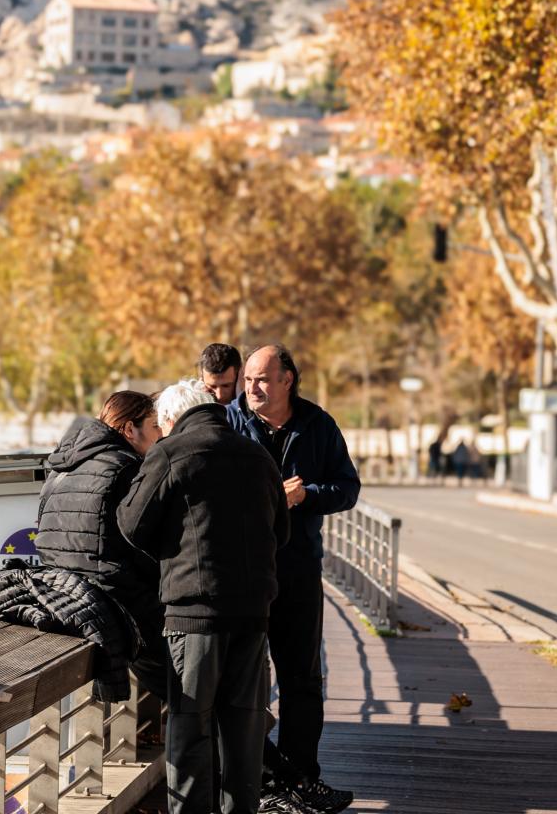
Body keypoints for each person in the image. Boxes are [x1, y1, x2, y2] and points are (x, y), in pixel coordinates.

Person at [119, 379, 287, 814]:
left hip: (194, 612)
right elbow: (281, 531)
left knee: (190, 727)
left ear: (169, 419)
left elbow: (132, 524)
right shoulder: (258, 455)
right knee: (244, 729)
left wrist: (171, 549)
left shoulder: (171, 452)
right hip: (253, 612)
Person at [224, 346, 361, 814]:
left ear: (288, 380)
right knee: (239, 680)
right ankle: (260, 781)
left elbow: (348, 489)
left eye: (262, 379)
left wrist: (307, 496)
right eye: (248, 379)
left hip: (298, 569)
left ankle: (303, 779)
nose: (252, 388)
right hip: (241, 572)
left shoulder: (318, 424)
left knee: (302, 679)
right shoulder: (228, 422)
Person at [35, 390, 167, 699]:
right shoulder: (130, 469)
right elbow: (143, 549)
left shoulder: (60, 467)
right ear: (130, 429)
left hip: (66, 598)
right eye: (155, 426)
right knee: (196, 689)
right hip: (115, 603)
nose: (161, 435)